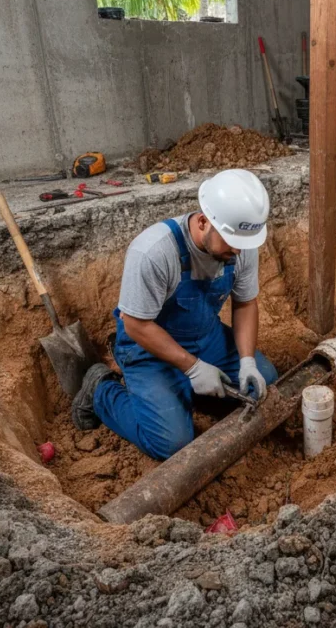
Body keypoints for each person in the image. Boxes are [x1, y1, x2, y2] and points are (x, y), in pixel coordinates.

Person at [71, 169, 278, 460]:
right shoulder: (154, 253)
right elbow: (135, 325)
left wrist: (246, 361)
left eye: (243, 244)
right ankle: (101, 391)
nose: (238, 251)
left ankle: (186, 391)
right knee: (172, 443)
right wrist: (192, 367)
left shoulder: (239, 245)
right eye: (231, 242)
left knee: (265, 381)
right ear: (204, 221)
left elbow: (245, 303)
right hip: (148, 347)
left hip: (206, 337)